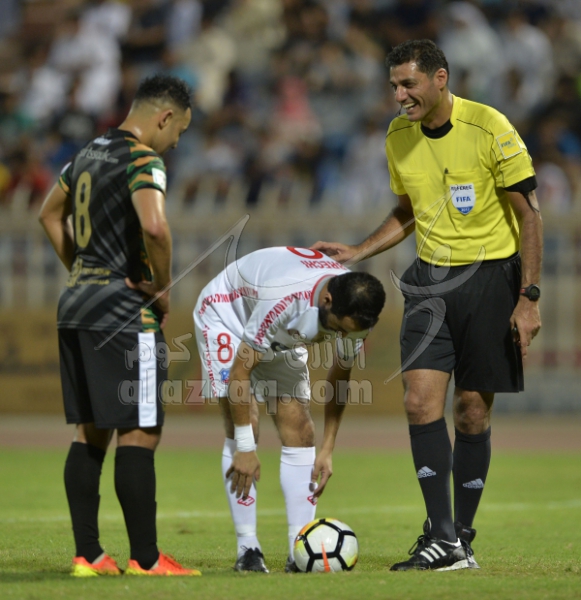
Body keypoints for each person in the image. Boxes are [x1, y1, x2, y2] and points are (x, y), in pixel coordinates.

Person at [312, 39, 542, 571]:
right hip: (428, 282)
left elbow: (530, 215)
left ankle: (461, 537)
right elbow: (408, 211)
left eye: (408, 84)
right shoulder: (398, 135)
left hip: (491, 278)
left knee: (472, 409)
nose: (399, 95)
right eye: (394, 85)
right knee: (419, 402)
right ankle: (441, 536)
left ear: (440, 79)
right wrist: (359, 250)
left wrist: (528, 299)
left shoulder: (490, 127)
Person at [38, 74, 199, 576]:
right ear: (164, 117)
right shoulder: (143, 160)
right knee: (139, 430)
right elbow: (154, 226)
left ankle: (88, 555)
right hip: (125, 313)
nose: (176, 143)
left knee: (89, 431)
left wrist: (84, 273)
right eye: (179, 131)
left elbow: (48, 215)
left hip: (76, 305)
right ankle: (147, 559)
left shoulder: (85, 155)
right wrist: (162, 287)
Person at [193, 246, 386, 573]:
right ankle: (248, 549)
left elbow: (340, 377)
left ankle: (300, 550)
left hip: (281, 332)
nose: (342, 336)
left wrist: (328, 448)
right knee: (246, 426)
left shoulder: (357, 314)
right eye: (339, 329)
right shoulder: (284, 299)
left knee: (301, 430)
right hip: (228, 313)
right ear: (327, 300)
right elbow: (240, 373)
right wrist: (245, 448)